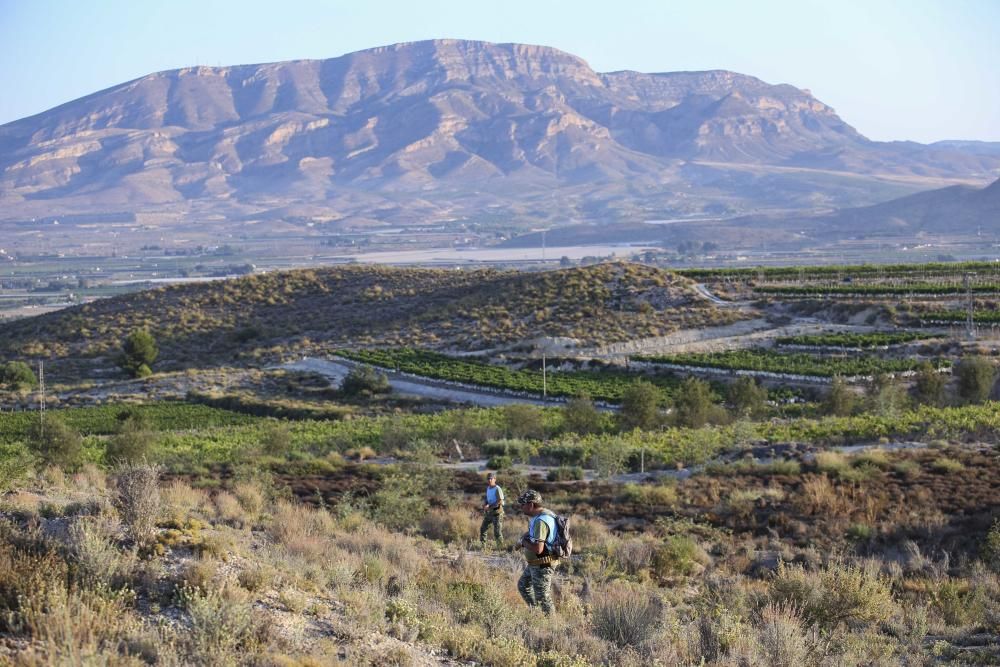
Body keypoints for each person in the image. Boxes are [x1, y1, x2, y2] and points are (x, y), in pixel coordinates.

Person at [515, 489, 558, 615]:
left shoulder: (541, 521)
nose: (521, 507)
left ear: (531, 505)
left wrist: (523, 543)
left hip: (543, 563)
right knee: (523, 586)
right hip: (536, 563)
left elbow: (538, 549)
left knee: (543, 597)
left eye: (523, 504)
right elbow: (533, 533)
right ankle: (536, 614)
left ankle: (552, 625)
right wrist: (524, 537)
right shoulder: (540, 515)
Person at [479, 472, 505, 548]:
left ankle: (500, 549)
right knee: (483, 528)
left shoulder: (497, 489)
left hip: (497, 513)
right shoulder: (488, 488)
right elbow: (488, 499)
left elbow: (500, 501)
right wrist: (485, 504)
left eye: (491, 478)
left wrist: (489, 505)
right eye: (488, 479)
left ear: (495, 479)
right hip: (489, 512)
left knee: (497, 532)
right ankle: (482, 546)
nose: (489, 480)